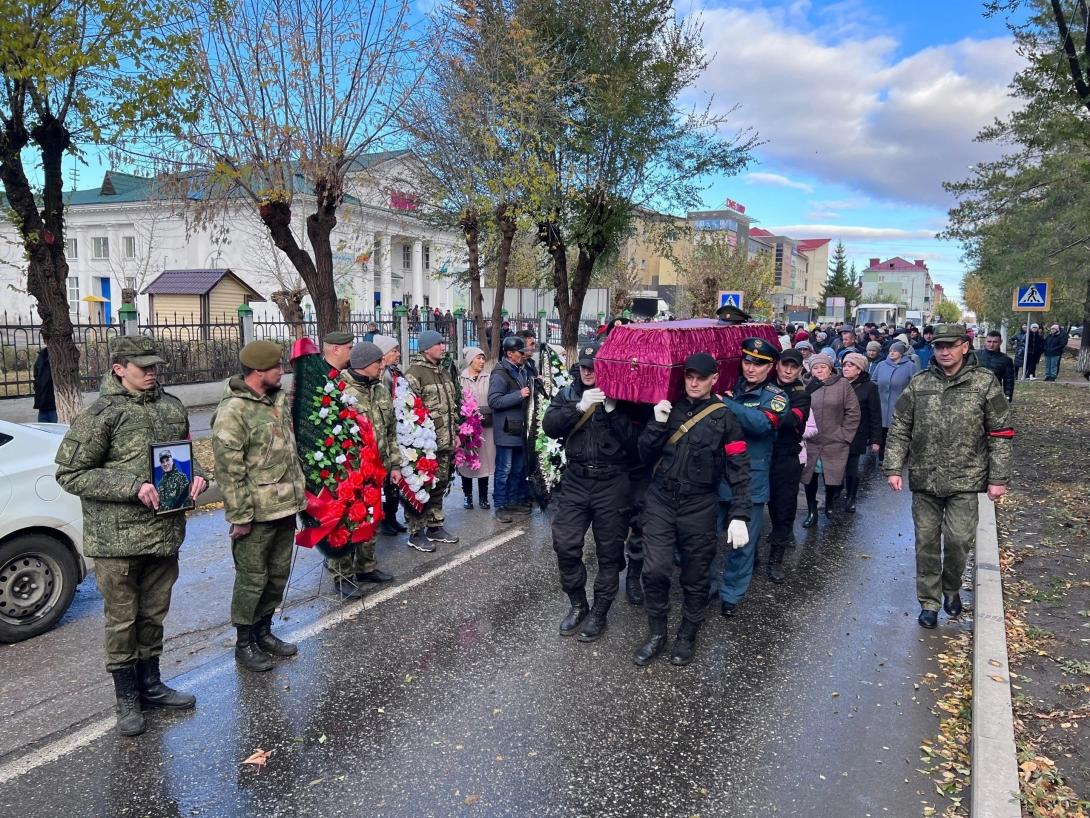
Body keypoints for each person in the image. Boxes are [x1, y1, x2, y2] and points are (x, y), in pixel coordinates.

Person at [56, 335, 207, 736]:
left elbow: (183, 454)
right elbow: (71, 473)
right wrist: (131, 486)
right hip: (118, 540)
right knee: (122, 620)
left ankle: (151, 685)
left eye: (156, 366)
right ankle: (127, 700)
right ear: (119, 369)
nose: (153, 373)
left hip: (164, 533)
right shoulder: (101, 414)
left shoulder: (171, 406)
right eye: (144, 368)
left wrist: (197, 478)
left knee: (153, 615)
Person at [883, 324, 1014, 628]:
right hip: (925, 478)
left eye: (951, 346)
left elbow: (1000, 432)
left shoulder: (984, 382)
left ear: (964, 347)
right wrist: (893, 467)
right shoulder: (919, 382)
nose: (944, 351)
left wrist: (998, 478)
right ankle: (928, 602)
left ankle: (951, 589)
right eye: (939, 346)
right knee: (926, 543)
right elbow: (900, 426)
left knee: (957, 541)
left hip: (966, 478)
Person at [633, 353, 752, 667]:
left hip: (699, 504)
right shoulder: (668, 408)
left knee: (696, 575)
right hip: (661, 499)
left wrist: (740, 514)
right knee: (655, 569)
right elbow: (644, 456)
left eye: (701, 377)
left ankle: (688, 632)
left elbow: (739, 468)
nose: (694, 382)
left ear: (714, 378)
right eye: (689, 376)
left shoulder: (726, 418)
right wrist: (657, 423)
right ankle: (657, 632)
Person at [212, 340, 306, 672]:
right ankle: (244, 643)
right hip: (256, 512)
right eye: (277, 368)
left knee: (277, 575)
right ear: (257, 372)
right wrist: (239, 516)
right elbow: (229, 469)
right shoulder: (233, 410)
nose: (282, 371)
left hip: (284, 506)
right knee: (252, 578)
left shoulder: (275, 399)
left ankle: (264, 632)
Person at [542, 341, 638, 641]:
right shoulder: (568, 394)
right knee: (565, 544)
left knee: (609, 553)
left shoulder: (623, 397)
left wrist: (612, 411)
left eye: (593, 368)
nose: (587, 373)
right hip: (576, 480)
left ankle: (600, 611)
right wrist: (577, 408)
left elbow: (637, 443)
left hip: (612, 483)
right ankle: (578, 603)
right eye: (583, 367)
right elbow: (549, 426)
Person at [716, 338, 790, 613]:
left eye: (759, 364)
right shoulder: (729, 386)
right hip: (719, 474)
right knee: (704, 538)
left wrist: (727, 404)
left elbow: (760, 425)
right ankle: (710, 587)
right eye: (747, 361)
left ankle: (731, 595)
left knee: (742, 545)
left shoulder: (776, 397)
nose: (751, 368)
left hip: (750, 481)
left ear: (770, 367)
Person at [324, 341, 400, 598]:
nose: (382, 365)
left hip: (376, 470)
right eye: (379, 362)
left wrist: (395, 464)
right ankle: (342, 575)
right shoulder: (339, 389)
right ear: (365, 364)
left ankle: (366, 566)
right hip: (349, 472)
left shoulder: (380, 389)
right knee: (346, 522)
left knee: (371, 518)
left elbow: (390, 430)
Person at [405, 330, 460, 550]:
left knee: (440, 483)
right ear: (426, 348)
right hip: (424, 446)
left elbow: (452, 408)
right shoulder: (414, 374)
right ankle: (416, 531)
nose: (443, 347)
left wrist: (454, 434)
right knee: (421, 486)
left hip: (445, 442)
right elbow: (408, 411)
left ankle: (435, 526)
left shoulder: (444, 373)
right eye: (438, 344)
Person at [764, 348, 812, 582]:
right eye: (785, 364)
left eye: (794, 367)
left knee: (782, 509)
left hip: (785, 456)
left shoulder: (801, 393)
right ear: (777, 364)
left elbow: (792, 419)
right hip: (762, 454)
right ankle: (750, 554)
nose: (788, 370)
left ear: (800, 370)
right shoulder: (764, 381)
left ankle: (776, 560)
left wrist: (759, 414)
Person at [801, 354, 860, 526]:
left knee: (832, 477)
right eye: (815, 368)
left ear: (830, 368)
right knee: (809, 477)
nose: (819, 370)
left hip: (835, 441)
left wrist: (845, 435)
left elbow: (853, 411)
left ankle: (829, 505)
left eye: (823, 367)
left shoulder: (842, 385)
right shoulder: (804, 386)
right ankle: (812, 510)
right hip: (810, 442)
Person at [488, 335, 532, 523]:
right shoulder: (500, 373)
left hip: (519, 430)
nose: (522, 355)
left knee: (517, 469)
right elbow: (494, 401)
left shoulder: (520, 370)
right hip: (506, 431)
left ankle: (513, 501)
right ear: (509, 354)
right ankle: (500, 505)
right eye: (519, 353)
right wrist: (519, 395)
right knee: (503, 470)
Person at [373, 334, 408, 536]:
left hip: (397, 430)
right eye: (393, 350)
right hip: (382, 435)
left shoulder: (395, 372)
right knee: (384, 482)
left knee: (394, 481)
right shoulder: (379, 376)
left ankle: (392, 517)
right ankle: (383, 519)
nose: (397, 354)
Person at [840, 353, 882, 513]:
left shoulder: (869, 387)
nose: (846, 368)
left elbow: (875, 414)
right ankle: (836, 492)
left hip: (857, 433)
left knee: (851, 467)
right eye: (845, 365)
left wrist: (875, 439)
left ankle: (851, 497)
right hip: (837, 432)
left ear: (859, 369)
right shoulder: (838, 382)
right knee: (836, 466)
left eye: (851, 365)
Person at [457, 346, 495, 510]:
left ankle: (483, 497)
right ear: (470, 360)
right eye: (478, 358)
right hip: (467, 428)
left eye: (483, 358)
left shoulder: (488, 377)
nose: (481, 361)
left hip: (485, 427)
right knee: (467, 462)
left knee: (484, 462)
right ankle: (467, 496)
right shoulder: (460, 379)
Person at [872, 341, 917, 459]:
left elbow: (915, 385)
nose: (892, 353)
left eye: (895, 351)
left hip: (900, 405)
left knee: (898, 432)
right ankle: (882, 457)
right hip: (882, 405)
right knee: (882, 433)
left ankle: (900, 456)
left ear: (901, 353)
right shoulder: (881, 365)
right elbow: (874, 381)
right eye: (890, 351)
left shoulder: (910, 366)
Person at [977, 330, 1016, 401]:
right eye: (989, 341)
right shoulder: (975, 355)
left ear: (1000, 342)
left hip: (994, 393)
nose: (991, 345)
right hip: (976, 393)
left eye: (995, 342)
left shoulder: (1006, 360)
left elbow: (1009, 381)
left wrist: (1008, 396)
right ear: (985, 341)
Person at [33, 343, 57, 422]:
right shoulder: (43, 356)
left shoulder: (57, 356)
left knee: (53, 430)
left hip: (51, 405)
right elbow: (36, 374)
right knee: (44, 430)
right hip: (44, 404)